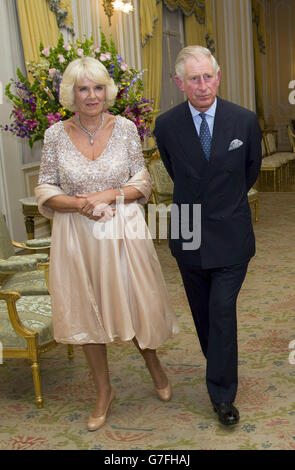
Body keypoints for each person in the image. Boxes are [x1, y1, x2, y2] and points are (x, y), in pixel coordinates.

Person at [35, 57, 179, 431]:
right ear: (71, 93)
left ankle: (154, 365)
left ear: (107, 91)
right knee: (87, 310)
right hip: (76, 236)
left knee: (135, 303)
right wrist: (80, 204)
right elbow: (46, 187)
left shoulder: (127, 128)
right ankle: (103, 390)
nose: (92, 96)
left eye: (98, 87)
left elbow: (142, 183)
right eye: (83, 88)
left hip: (123, 232)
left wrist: (105, 195)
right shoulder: (54, 135)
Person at [153, 46, 262, 426]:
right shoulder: (166, 125)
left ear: (219, 76)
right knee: (203, 316)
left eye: (208, 77)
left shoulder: (243, 120)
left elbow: (251, 171)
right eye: (194, 79)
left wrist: (224, 205)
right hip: (188, 229)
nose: (202, 86)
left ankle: (222, 395)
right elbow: (177, 170)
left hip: (231, 233)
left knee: (220, 310)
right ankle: (219, 365)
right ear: (180, 83)